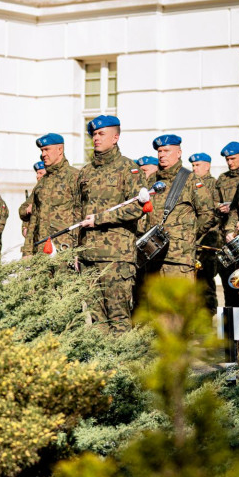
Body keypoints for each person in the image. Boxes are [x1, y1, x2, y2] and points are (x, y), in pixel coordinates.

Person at [76, 115, 144, 333]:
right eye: (94, 134)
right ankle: (103, 366)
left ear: (115, 137)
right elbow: (78, 212)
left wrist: (100, 219)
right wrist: (77, 251)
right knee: (97, 320)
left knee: (118, 318)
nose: (96, 138)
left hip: (117, 257)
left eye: (101, 134)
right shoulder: (86, 172)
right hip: (89, 256)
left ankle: (123, 366)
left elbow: (137, 207)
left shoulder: (129, 169)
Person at [144, 136, 215, 281]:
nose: (162, 154)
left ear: (178, 153)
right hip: (152, 255)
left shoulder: (191, 180)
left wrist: (186, 235)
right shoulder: (151, 180)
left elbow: (207, 215)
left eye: (167, 151)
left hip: (179, 259)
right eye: (159, 151)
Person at [23, 135, 77, 257]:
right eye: (42, 150)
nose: (43, 154)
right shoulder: (43, 181)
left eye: (47, 149)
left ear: (60, 150)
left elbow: (81, 215)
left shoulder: (74, 176)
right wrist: (27, 252)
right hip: (41, 250)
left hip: (64, 249)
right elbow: (33, 219)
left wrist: (79, 252)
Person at [214, 141, 239, 307]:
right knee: (229, 287)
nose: (230, 163)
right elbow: (213, 202)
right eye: (227, 159)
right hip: (228, 238)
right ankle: (233, 331)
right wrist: (219, 207)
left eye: (233, 158)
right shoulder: (223, 179)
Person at [188, 152, 219, 314]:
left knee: (206, 283)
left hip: (208, 242)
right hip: (193, 243)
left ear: (207, 166)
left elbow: (213, 213)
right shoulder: (190, 183)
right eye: (193, 165)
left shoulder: (214, 185)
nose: (194, 168)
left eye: (197, 165)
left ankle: (208, 318)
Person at [18, 161, 46, 244]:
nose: (38, 176)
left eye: (41, 173)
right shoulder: (36, 190)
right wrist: (24, 227)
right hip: (35, 237)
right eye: (37, 173)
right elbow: (23, 210)